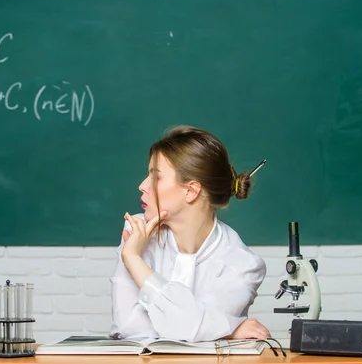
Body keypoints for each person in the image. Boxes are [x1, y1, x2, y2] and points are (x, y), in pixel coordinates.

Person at [110, 125, 270, 343]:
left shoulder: (242, 265)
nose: (142, 186)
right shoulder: (136, 232)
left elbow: (187, 328)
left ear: (191, 191)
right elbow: (129, 327)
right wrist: (224, 330)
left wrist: (134, 261)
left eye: (156, 177)